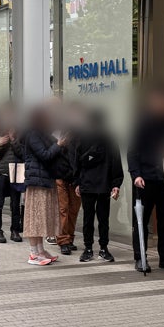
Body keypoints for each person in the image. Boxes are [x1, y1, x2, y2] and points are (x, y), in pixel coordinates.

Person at [128, 85, 164, 275]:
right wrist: (136, 175)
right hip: (145, 179)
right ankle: (140, 257)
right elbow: (133, 150)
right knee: (141, 220)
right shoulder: (142, 122)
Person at [74, 108, 124, 262]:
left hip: (87, 183)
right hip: (104, 183)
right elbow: (116, 161)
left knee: (88, 218)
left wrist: (77, 182)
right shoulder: (109, 138)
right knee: (103, 219)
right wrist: (116, 183)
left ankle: (88, 249)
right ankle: (103, 248)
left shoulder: (83, 137)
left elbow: (76, 161)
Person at [22, 105, 66, 266]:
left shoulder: (43, 133)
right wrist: (58, 144)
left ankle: (40, 250)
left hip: (45, 180)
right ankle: (33, 253)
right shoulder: (32, 134)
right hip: (37, 182)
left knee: (41, 218)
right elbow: (44, 155)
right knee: (35, 218)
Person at [0, 107, 23, 243]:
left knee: (16, 204)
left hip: (17, 171)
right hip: (1, 172)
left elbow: (23, 153)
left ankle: (15, 230)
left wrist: (13, 139)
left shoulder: (20, 131)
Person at [53, 105, 83, 255]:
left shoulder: (83, 133)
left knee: (73, 210)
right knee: (63, 209)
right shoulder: (60, 131)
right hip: (60, 176)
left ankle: (70, 238)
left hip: (76, 177)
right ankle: (63, 240)